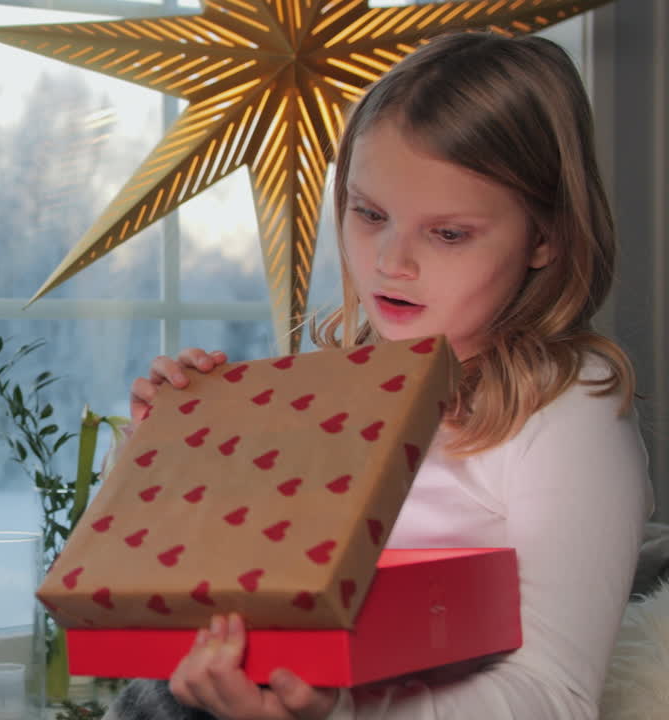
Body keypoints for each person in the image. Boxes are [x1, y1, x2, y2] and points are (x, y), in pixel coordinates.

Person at [112, 32, 654, 720]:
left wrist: (337, 713)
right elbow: (217, 587)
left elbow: (556, 696)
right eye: (369, 213)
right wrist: (164, 456)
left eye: (448, 233)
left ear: (545, 237)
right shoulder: (330, 388)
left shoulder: (568, 405)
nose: (392, 261)